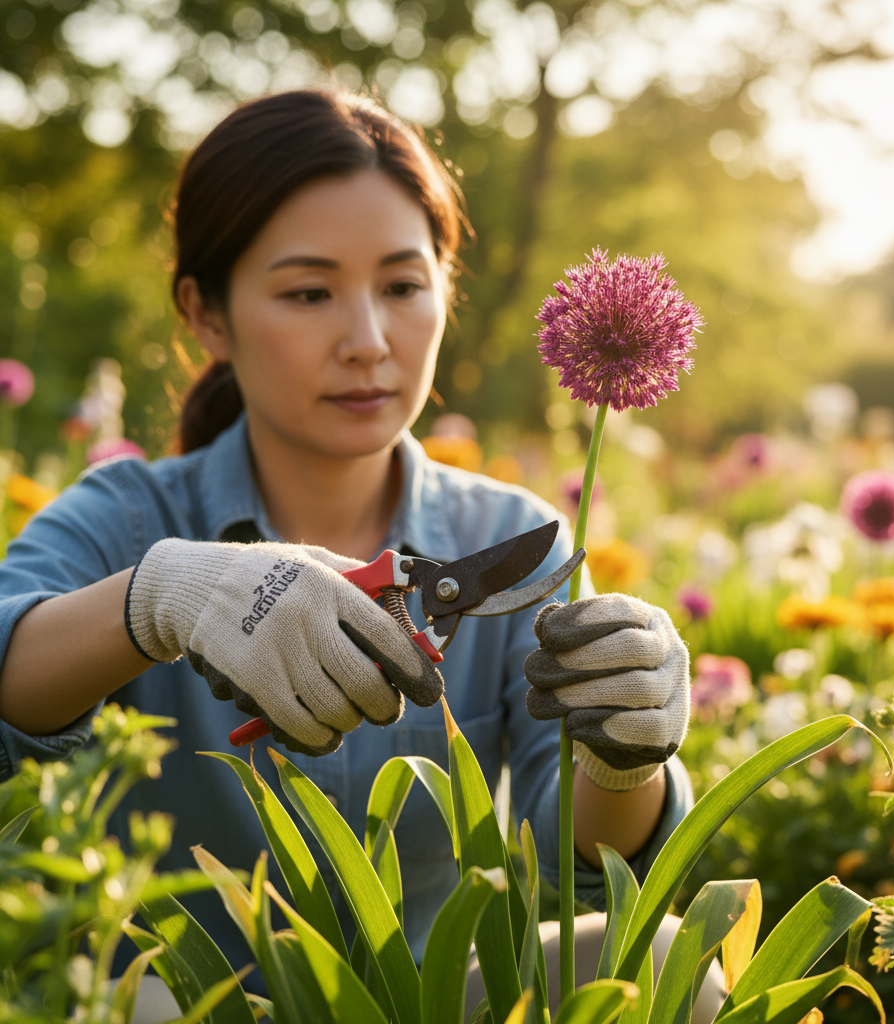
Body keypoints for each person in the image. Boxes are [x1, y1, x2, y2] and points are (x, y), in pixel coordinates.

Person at [0, 90, 706, 1010]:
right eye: (308, 292)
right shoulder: (128, 519)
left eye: (404, 286)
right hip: (182, 1005)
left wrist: (627, 761)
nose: (369, 342)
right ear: (206, 314)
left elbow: (576, 860)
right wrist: (158, 600)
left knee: (665, 969)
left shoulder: (510, 539)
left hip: (425, 1001)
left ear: (447, 289)